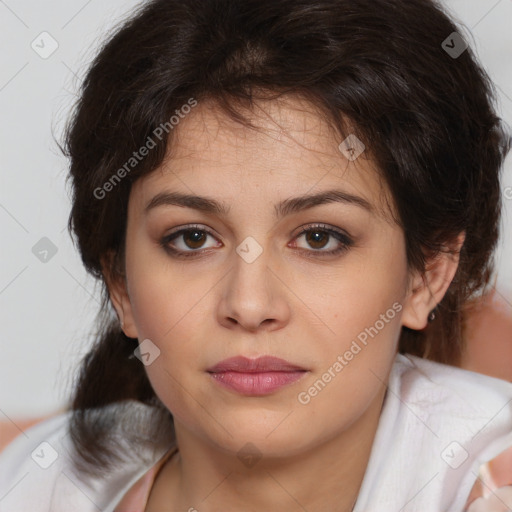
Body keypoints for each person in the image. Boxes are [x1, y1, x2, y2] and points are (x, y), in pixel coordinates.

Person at [1, 0, 511, 510]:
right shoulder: (40, 481)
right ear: (120, 283)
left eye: (319, 238)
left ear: (426, 276)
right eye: (193, 238)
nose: (249, 304)